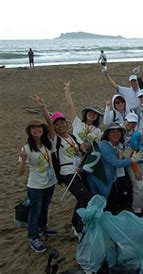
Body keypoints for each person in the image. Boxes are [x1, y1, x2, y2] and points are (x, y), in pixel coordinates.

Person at [32, 95, 91, 239]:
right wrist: (43, 107)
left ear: (66, 123)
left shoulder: (72, 136)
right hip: (67, 172)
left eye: (62, 123)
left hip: (78, 170)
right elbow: (49, 125)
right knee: (84, 196)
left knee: (84, 196)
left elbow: (79, 152)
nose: (60, 126)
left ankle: (75, 222)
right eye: (57, 124)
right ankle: (77, 226)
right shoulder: (55, 139)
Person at [18, 119, 57, 253]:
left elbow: (51, 127)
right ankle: (33, 237)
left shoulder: (48, 143)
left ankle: (43, 227)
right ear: (29, 131)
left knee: (45, 207)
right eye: (33, 128)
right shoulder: (26, 148)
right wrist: (23, 161)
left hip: (50, 182)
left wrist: (43, 108)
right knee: (35, 212)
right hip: (35, 185)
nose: (37, 130)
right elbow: (20, 173)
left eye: (39, 127)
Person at [96, 123, 143, 214]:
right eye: (113, 132)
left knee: (122, 196)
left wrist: (135, 167)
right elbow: (115, 163)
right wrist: (132, 159)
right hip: (107, 179)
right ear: (107, 135)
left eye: (118, 132)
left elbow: (127, 157)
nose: (116, 134)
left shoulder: (121, 145)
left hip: (119, 176)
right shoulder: (103, 145)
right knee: (109, 202)